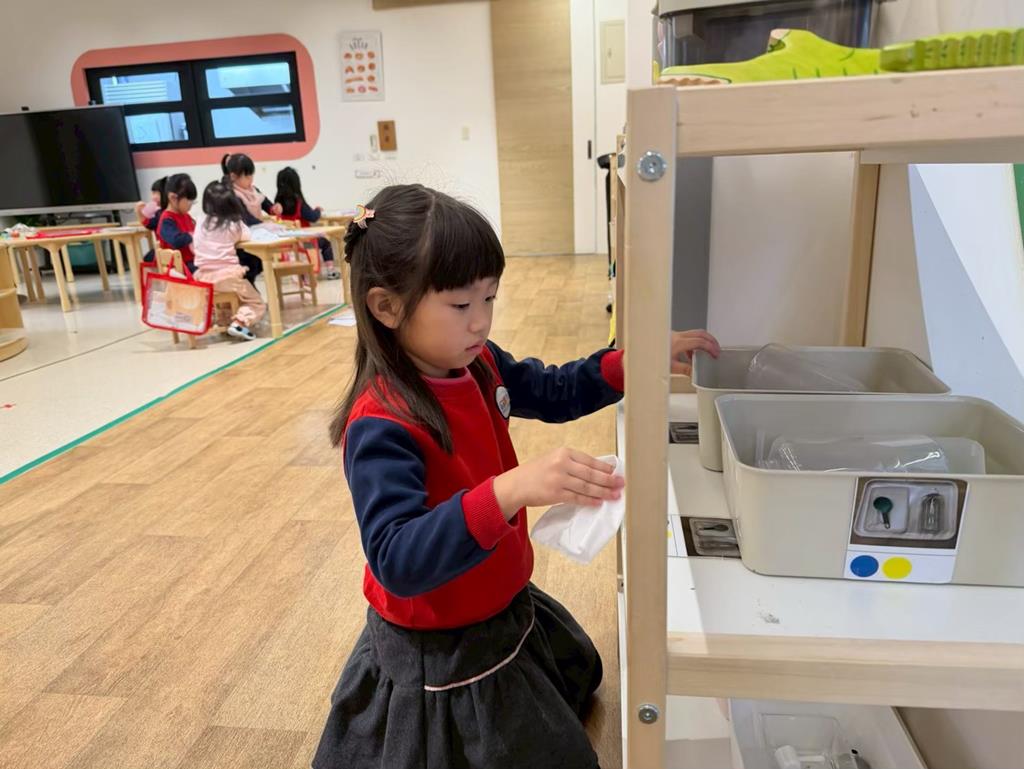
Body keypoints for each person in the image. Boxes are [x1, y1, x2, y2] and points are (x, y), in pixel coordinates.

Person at [312, 184, 720, 769]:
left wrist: (628, 364)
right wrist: (509, 490)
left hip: (495, 591)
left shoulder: (476, 361)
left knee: (578, 674)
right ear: (387, 307)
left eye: (489, 298)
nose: (481, 321)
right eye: (461, 305)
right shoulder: (382, 423)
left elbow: (550, 389)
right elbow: (397, 560)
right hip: (441, 638)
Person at [192, 181, 266, 341]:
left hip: (203, 278)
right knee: (256, 302)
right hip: (227, 276)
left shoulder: (200, 221)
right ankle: (240, 322)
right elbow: (247, 235)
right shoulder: (233, 224)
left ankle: (224, 321)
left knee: (227, 296)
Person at [221, 153, 282, 286]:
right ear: (233, 176)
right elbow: (245, 219)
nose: (250, 179)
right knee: (249, 269)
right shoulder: (230, 195)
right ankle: (249, 294)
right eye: (247, 176)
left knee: (255, 267)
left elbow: (267, 205)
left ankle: (250, 293)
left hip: (255, 238)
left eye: (251, 175)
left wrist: (274, 208)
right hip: (241, 243)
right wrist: (265, 225)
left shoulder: (253, 190)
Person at [274, 166, 340, 280]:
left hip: (286, 245)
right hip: (304, 245)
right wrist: (318, 210)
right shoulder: (298, 203)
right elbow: (313, 217)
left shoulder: (277, 204)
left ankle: (301, 274)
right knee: (325, 242)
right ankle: (331, 270)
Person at [155, 173, 197, 272]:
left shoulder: (186, 216)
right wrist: (192, 235)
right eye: (189, 201)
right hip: (178, 266)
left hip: (191, 261)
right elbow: (176, 241)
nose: (191, 205)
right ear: (173, 198)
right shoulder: (167, 220)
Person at [136, 176, 167, 263]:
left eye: (157, 193)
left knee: (146, 260)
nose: (154, 197)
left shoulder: (162, 213)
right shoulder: (161, 211)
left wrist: (138, 212)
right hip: (168, 249)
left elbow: (149, 224)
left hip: (164, 250)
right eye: (153, 193)